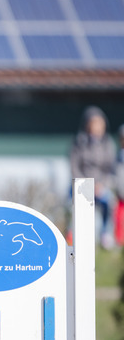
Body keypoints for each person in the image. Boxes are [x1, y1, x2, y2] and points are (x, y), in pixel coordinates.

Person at [70, 105, 117, 248]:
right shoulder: (79, 143)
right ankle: (74, 234)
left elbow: (111, 169)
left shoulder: (108, 144)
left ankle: (106, 234)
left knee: (109, 201)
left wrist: (101, 185)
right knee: (73, 204)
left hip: (101, 185)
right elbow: (74, 167)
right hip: (81, 185)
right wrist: (85, 185)